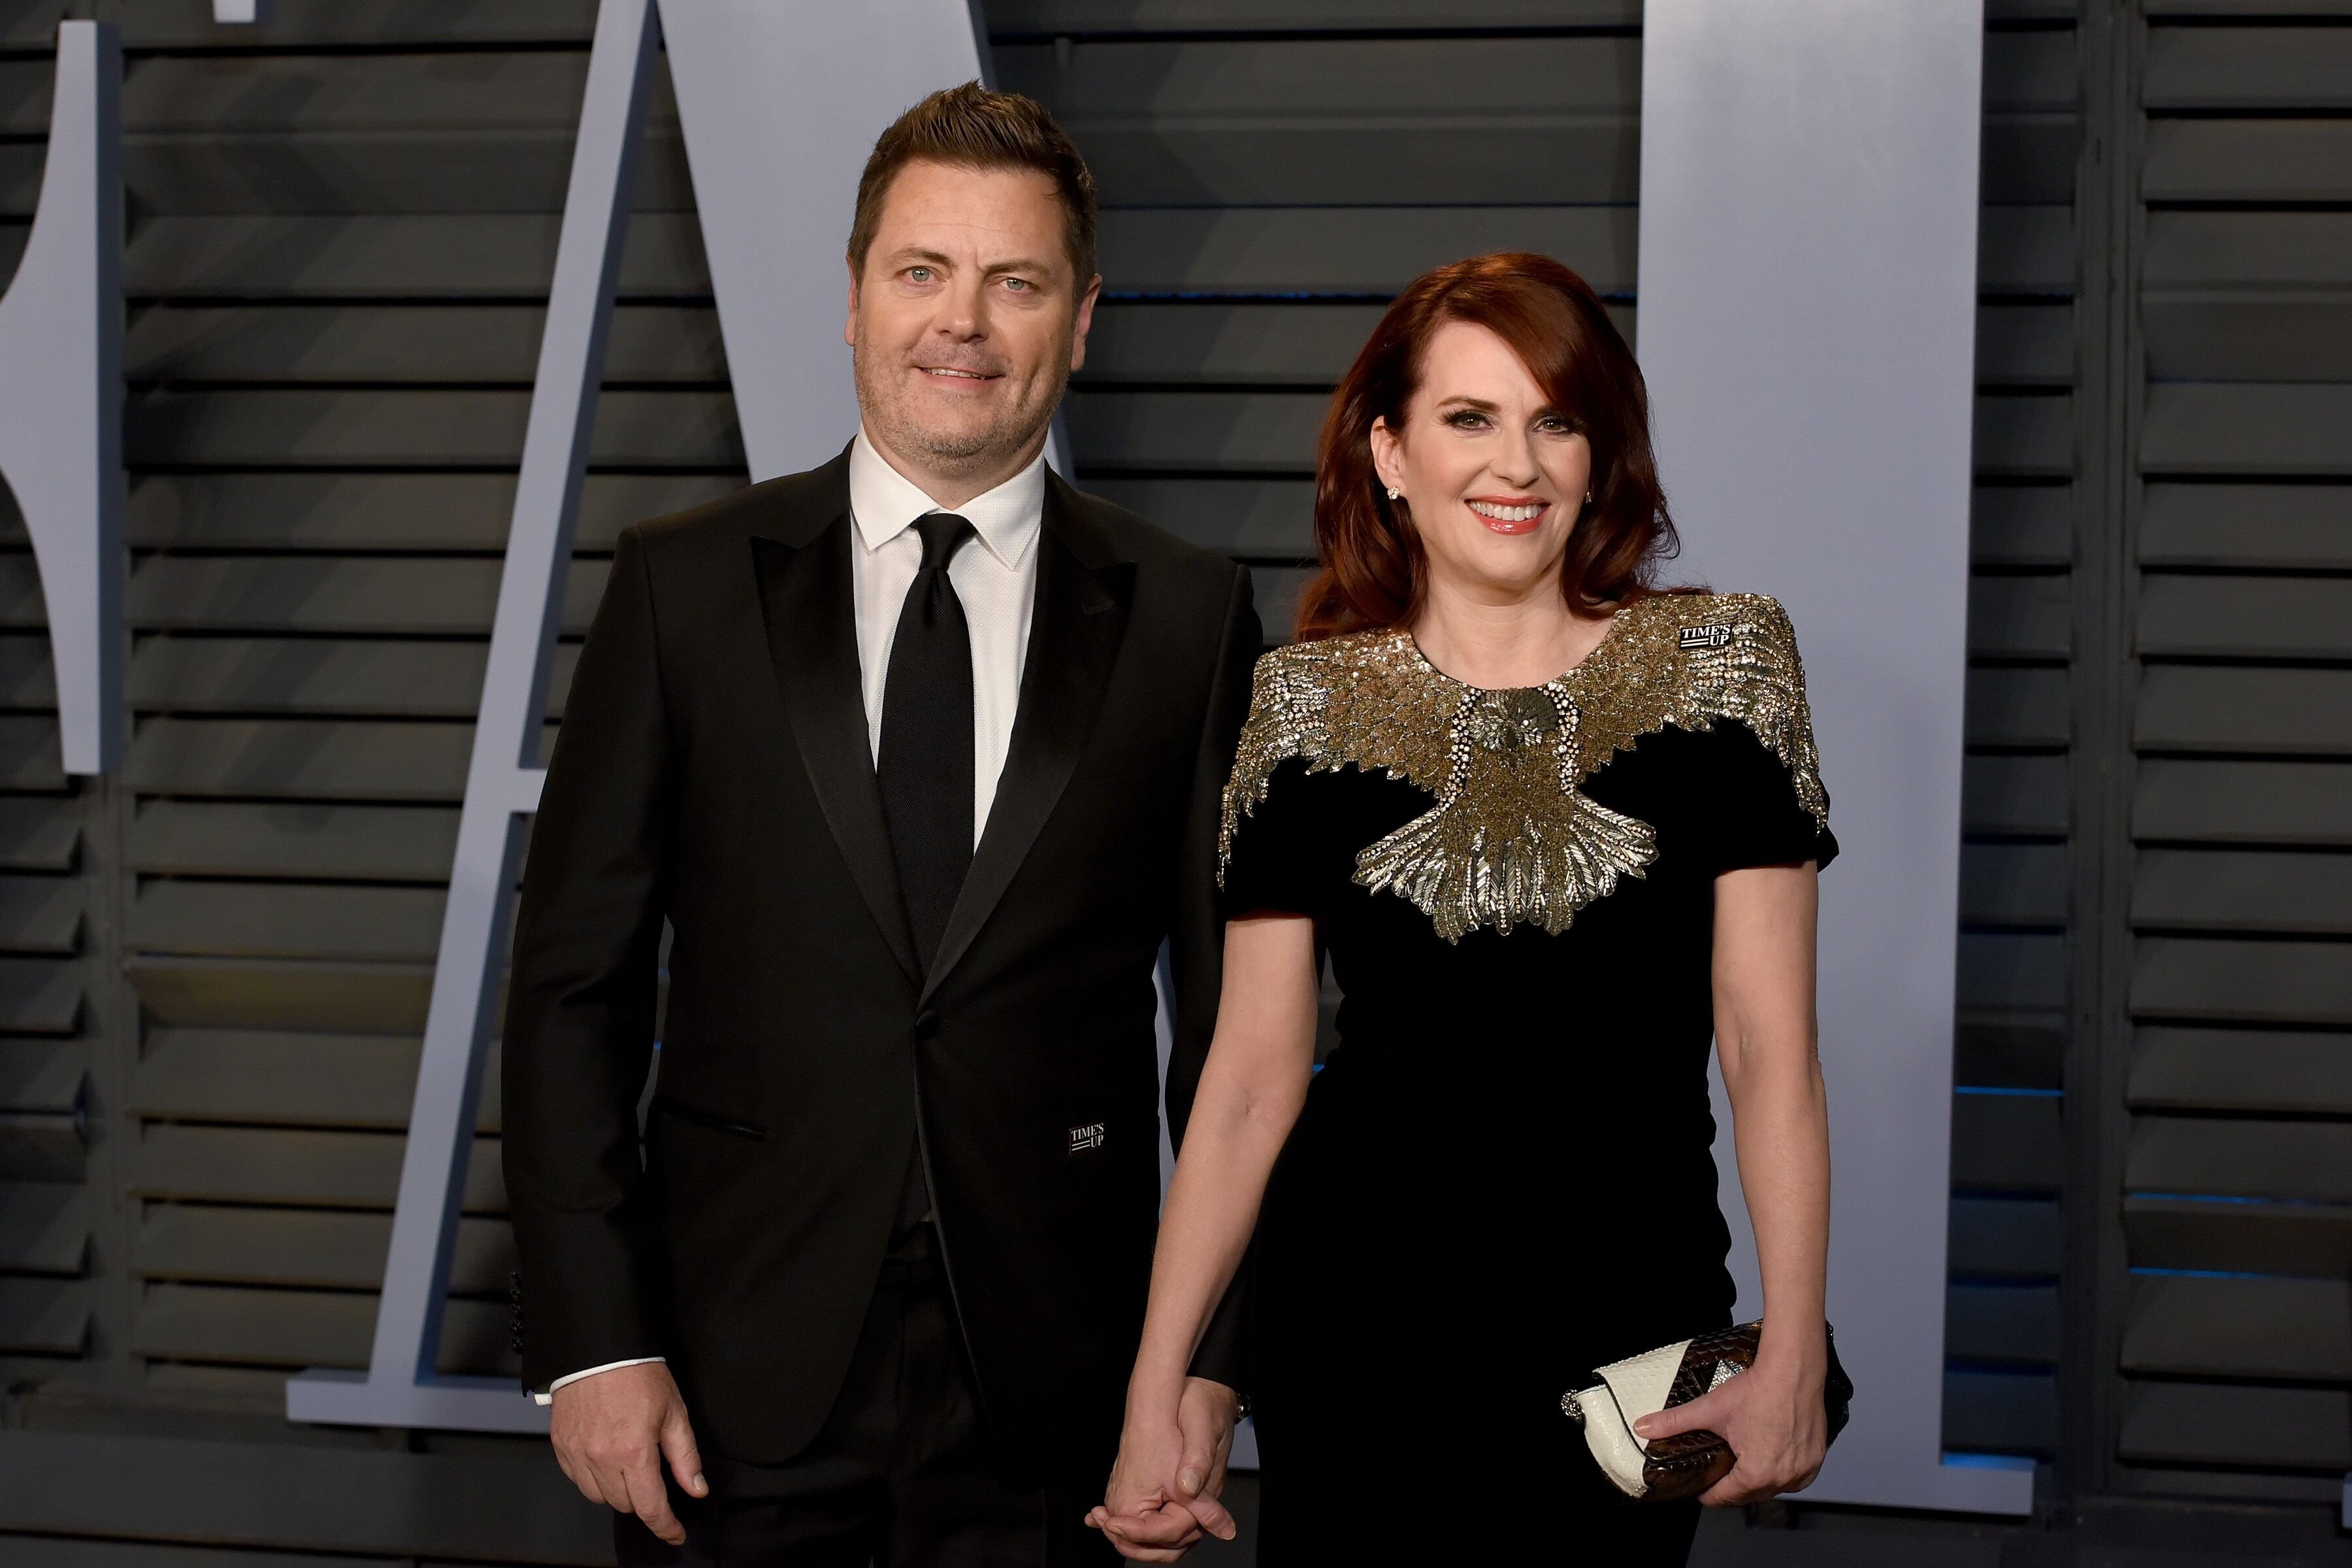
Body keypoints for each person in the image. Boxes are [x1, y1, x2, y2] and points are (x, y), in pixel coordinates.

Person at [502, 83, 1255, 1567]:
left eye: (1014, 281)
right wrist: (593, 1343)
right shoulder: (684, 587)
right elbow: (569, 988)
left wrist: (1209, 1362)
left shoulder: (1187, 612)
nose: (960, 321)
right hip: (724, 1385)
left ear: (1080, 318)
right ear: (854, 299)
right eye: (921, 272)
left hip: (1066, 1393)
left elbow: (1242, 1033)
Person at [1090, 252, 1838, 1565]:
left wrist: (1791, 1342)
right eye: (1470, 419)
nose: (1520, 464)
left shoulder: (1727, 666)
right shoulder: (1305, 704)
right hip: (1359, 1325)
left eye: (1558, 420)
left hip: (1625, 1331)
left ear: (1602, 456)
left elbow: (1769, 1049)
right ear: (1388, 452)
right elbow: (1250, 1082)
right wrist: (1163, 1386)